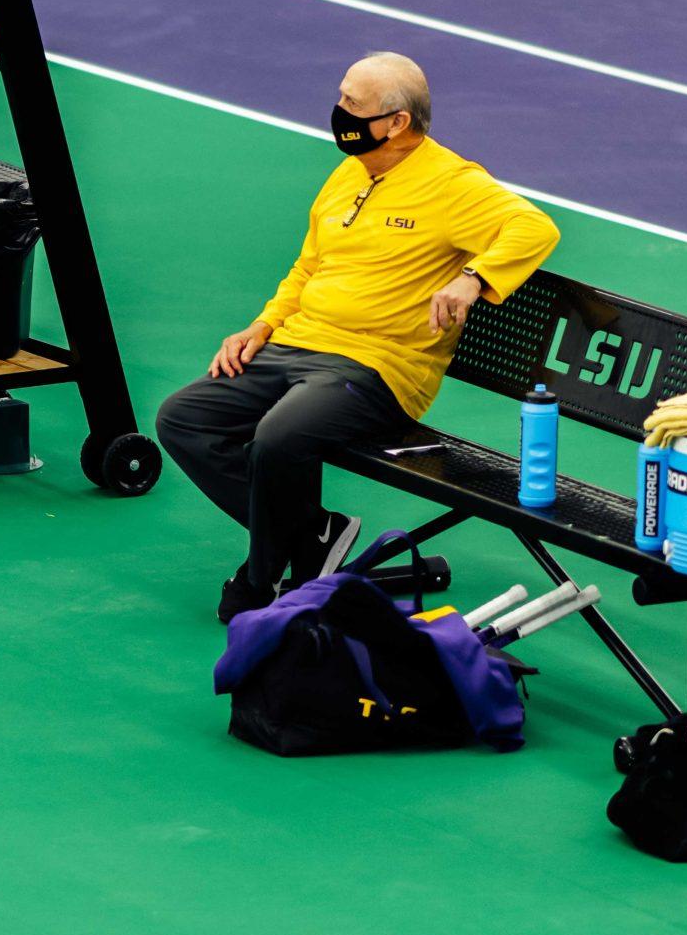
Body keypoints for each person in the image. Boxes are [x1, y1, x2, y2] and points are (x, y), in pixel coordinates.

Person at [155, 52, 560, 619]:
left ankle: (262, 576)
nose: (338, 111)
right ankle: (315, 533)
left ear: (397, 121)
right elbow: (309, 266)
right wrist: (263, 324)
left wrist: (472, 281)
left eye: (353, 103)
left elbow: (534, 227)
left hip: (375, 368)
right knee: (183, 418)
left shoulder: (452, 184)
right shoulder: (352, 170)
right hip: (298, 343)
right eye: (342, 96)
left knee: (278, 437)